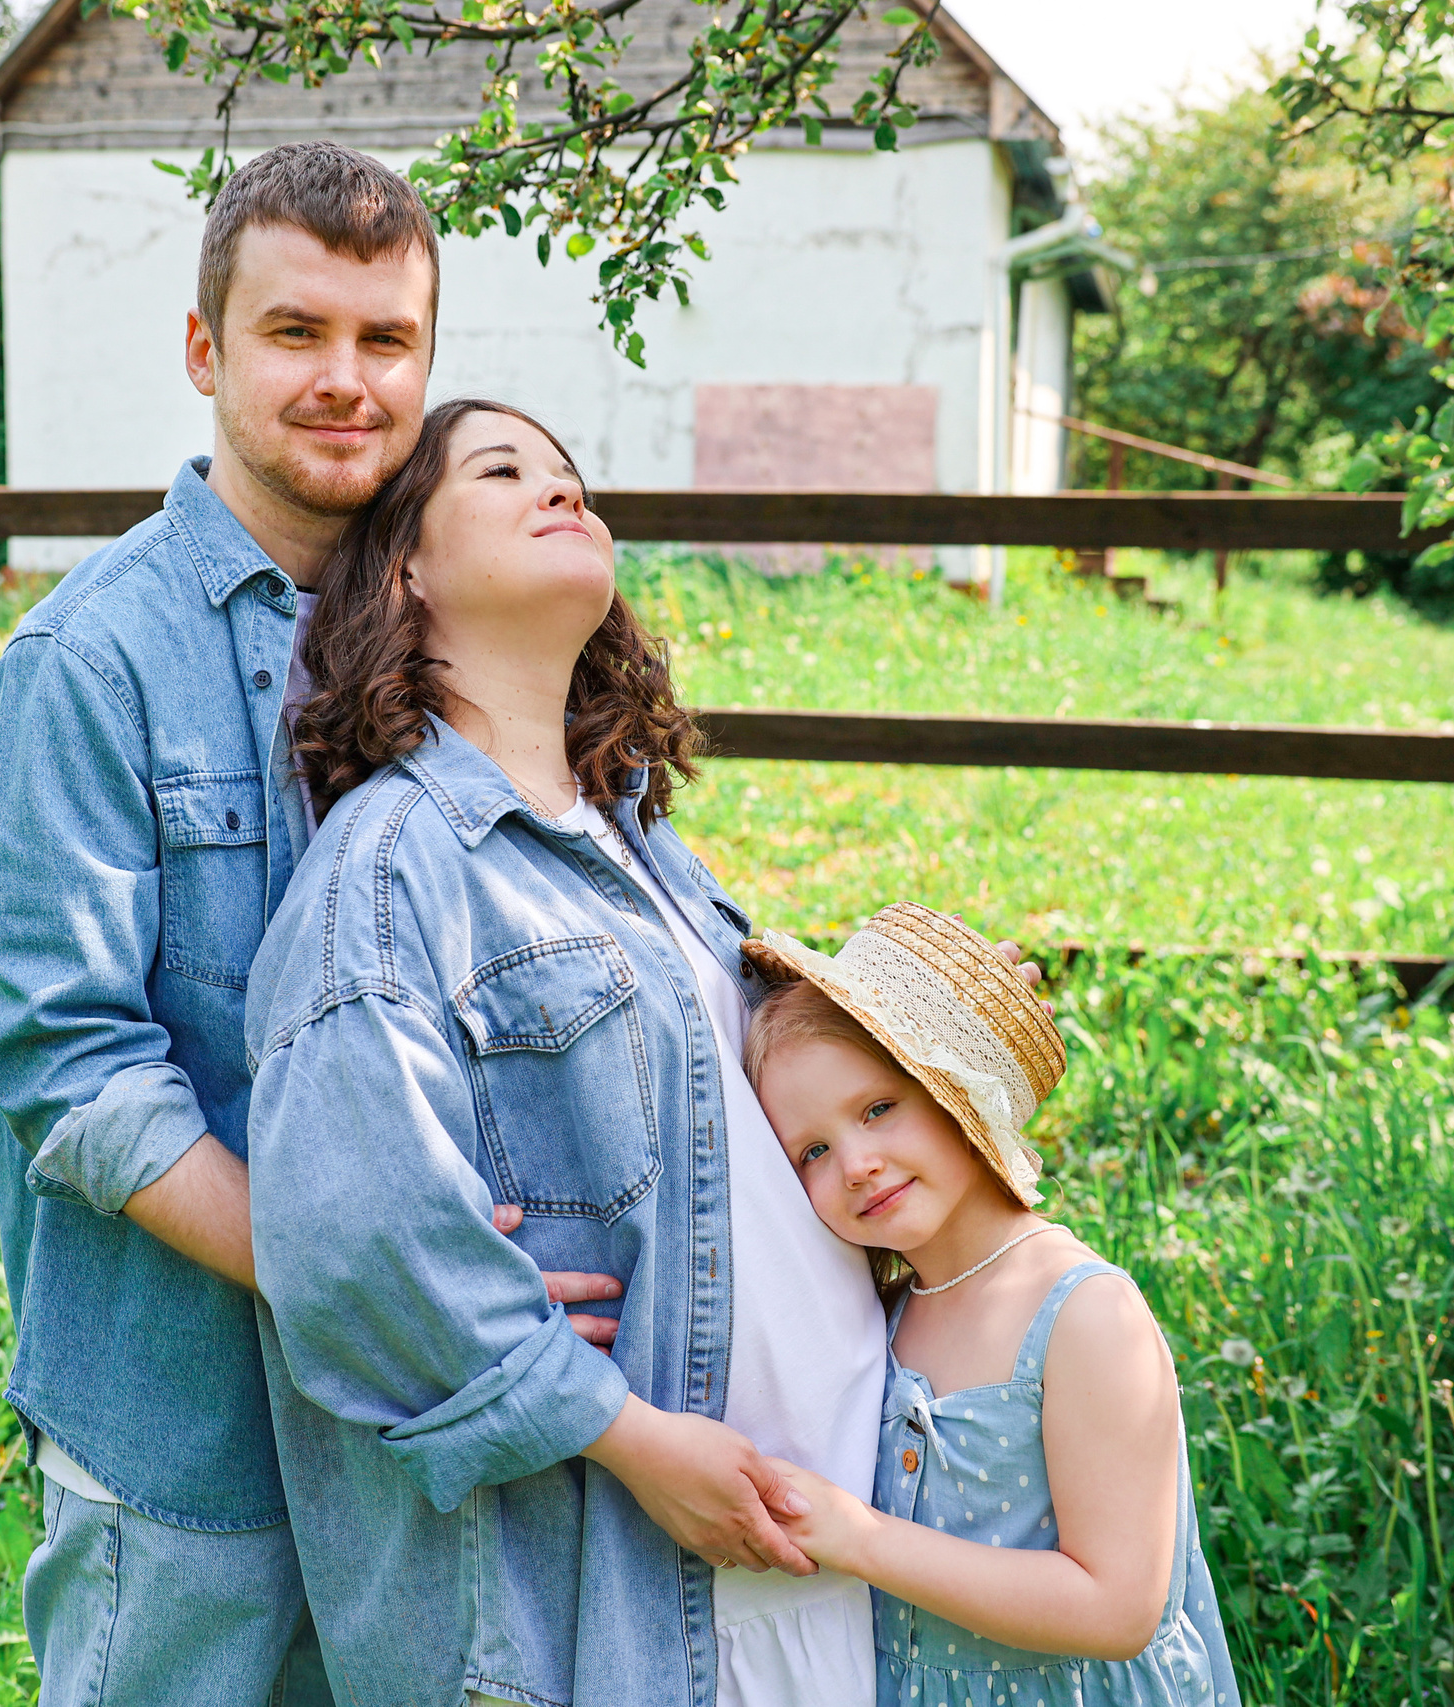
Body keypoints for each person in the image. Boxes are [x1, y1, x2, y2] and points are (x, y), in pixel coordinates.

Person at [0, 146, 621, 1707]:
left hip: (427, 1423)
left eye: (385, 340)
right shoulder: (88, 663)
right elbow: (80, 1078)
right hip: (187, 1424)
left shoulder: (468, 636)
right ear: (204, 351)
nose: (346, 380)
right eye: (293, 332)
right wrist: (384, 1275)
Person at [243, 397, 891, 1707]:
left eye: (572, 474)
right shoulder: (389, 867)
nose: (561, 491)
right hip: (603, 1593)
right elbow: (362, 1246)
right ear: (407, 569)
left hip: (794, 1558)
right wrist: (637, 1440)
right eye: (503, 471)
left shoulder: (648, 849)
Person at [739, 906, 1241, 1705]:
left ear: (958, 1093)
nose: (858, 1164)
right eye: (814, 1151)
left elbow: (1117, 1607)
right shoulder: (885, 1315)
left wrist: (861, 1540)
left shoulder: (1082, 1314)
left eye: (878, 1108)